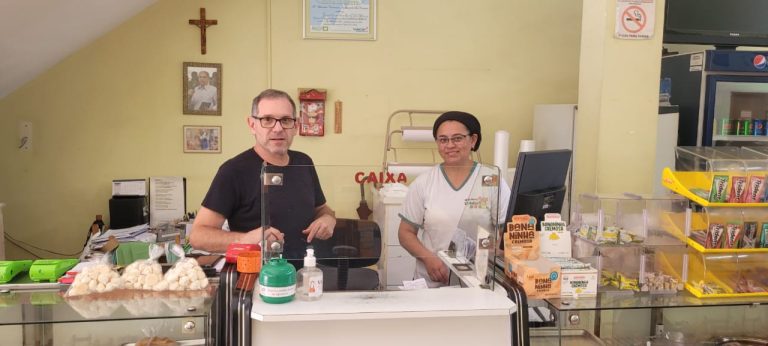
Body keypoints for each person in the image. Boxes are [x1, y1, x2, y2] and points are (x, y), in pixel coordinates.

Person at [190, 89, 336, 262]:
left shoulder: (304, 162)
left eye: (286, 120)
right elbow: (198, 236)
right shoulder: (233, 171)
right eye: (267, 120)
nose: (278, 128)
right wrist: (244, 240)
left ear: (295, 126)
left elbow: (321, 209)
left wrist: (329, 219)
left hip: (306, 273)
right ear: (252, 125)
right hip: (258, 279)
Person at [398, 111, 510, 288]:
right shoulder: (424, 182)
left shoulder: (491, 179)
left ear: (473, 140)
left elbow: (508, 230)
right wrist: (428, 258)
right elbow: (405, 233)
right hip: (434, 278)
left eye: (457, 138)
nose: (450, 145)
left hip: (478, 280)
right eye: (443, 140)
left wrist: (496, 252)